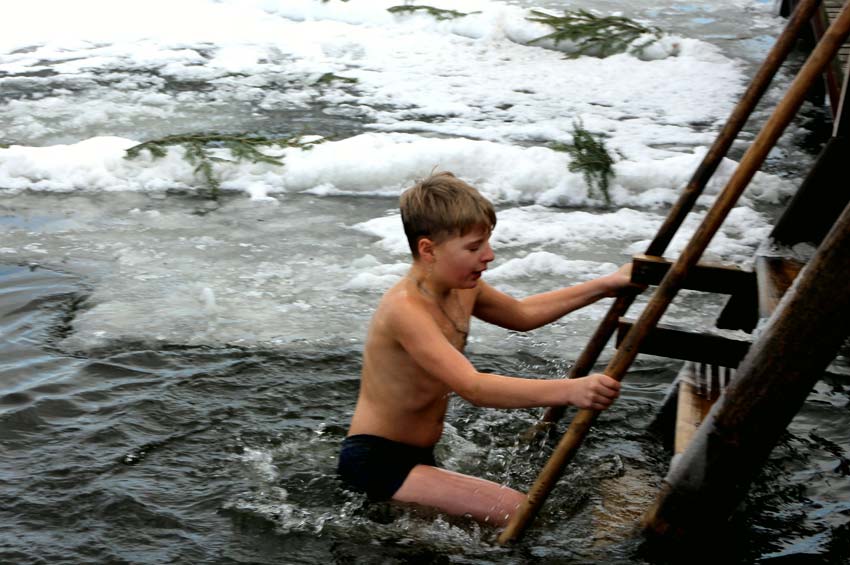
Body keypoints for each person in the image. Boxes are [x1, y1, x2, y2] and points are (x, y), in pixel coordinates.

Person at [338, 171, 633, 528]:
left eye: (487, 243)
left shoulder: (465, 289)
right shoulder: (405, 310)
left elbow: (523, 314)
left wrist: (607, 285)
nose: (489, 256)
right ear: (428, 249)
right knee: (518, 512)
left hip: (421, 456)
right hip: (377, 461)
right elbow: (473, 387)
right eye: (474, 247)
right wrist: (571, 390)